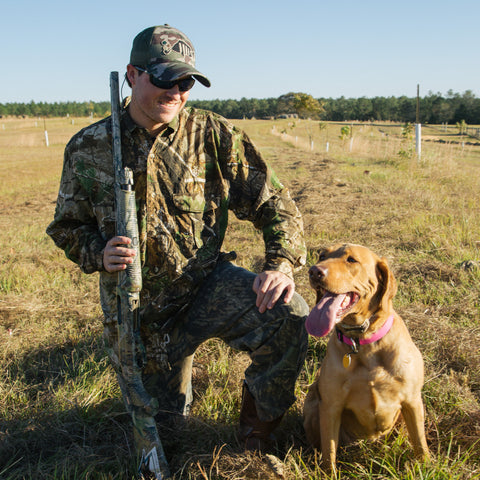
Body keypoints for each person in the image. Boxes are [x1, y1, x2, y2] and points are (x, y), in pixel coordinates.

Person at [47, 24, 309, 464]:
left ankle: (255, 438)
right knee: (164, 438)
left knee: (289, 314)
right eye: (165, 79)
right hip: (139, 312)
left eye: (186, 82)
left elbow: (276, 203)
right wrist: (98, 252)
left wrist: (280, 264)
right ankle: (170, 398)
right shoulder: (88, 147)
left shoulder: (211, 133)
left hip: (205, 286)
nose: (176, 92)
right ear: (132, 75)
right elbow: (67, 227)